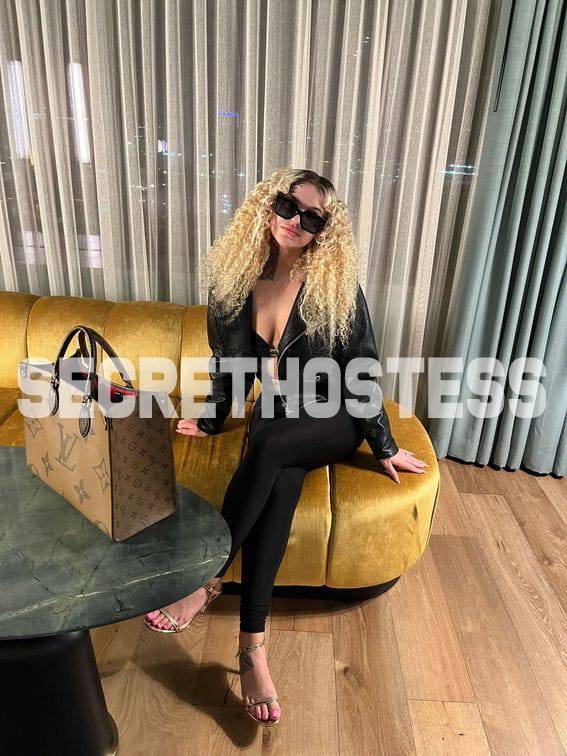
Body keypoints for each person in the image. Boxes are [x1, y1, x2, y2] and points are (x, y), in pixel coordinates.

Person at [145, 167, 428, 727]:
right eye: (288, 206)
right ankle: (252, 648)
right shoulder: (232, 284)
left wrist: (383, 443)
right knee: (279, 477)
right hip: (278, 418)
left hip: (334, 415)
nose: (295, 221)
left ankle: (207, 579)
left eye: (312, 217)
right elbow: (228, 365)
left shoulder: (336, 289)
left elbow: (362, 370)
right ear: (268, 205)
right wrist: (211, 419)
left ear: (324, 230)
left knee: (272, 439)